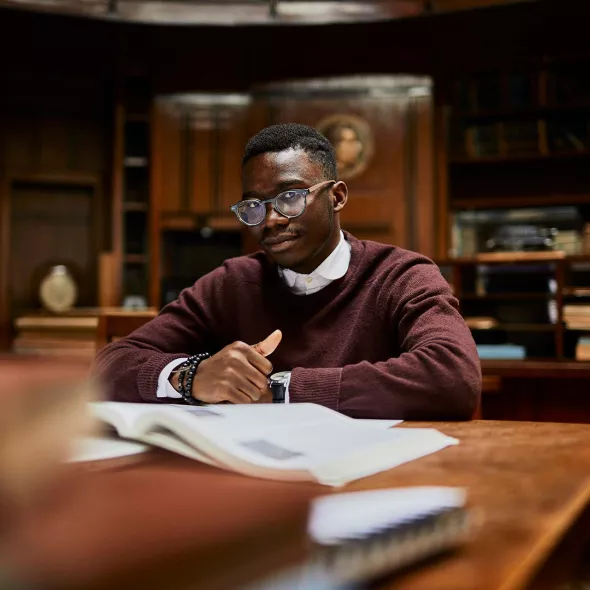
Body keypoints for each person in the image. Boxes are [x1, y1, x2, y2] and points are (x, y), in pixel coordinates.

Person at [96, 123, 481, 419]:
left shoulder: (400, 275)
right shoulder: (233, 283)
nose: (271, 220)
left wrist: (282, 387)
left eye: (291, 197)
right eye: (254, 206)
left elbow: (452, 377)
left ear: (337, 196)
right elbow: (109, 365)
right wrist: (192, 376)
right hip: (257, 486)